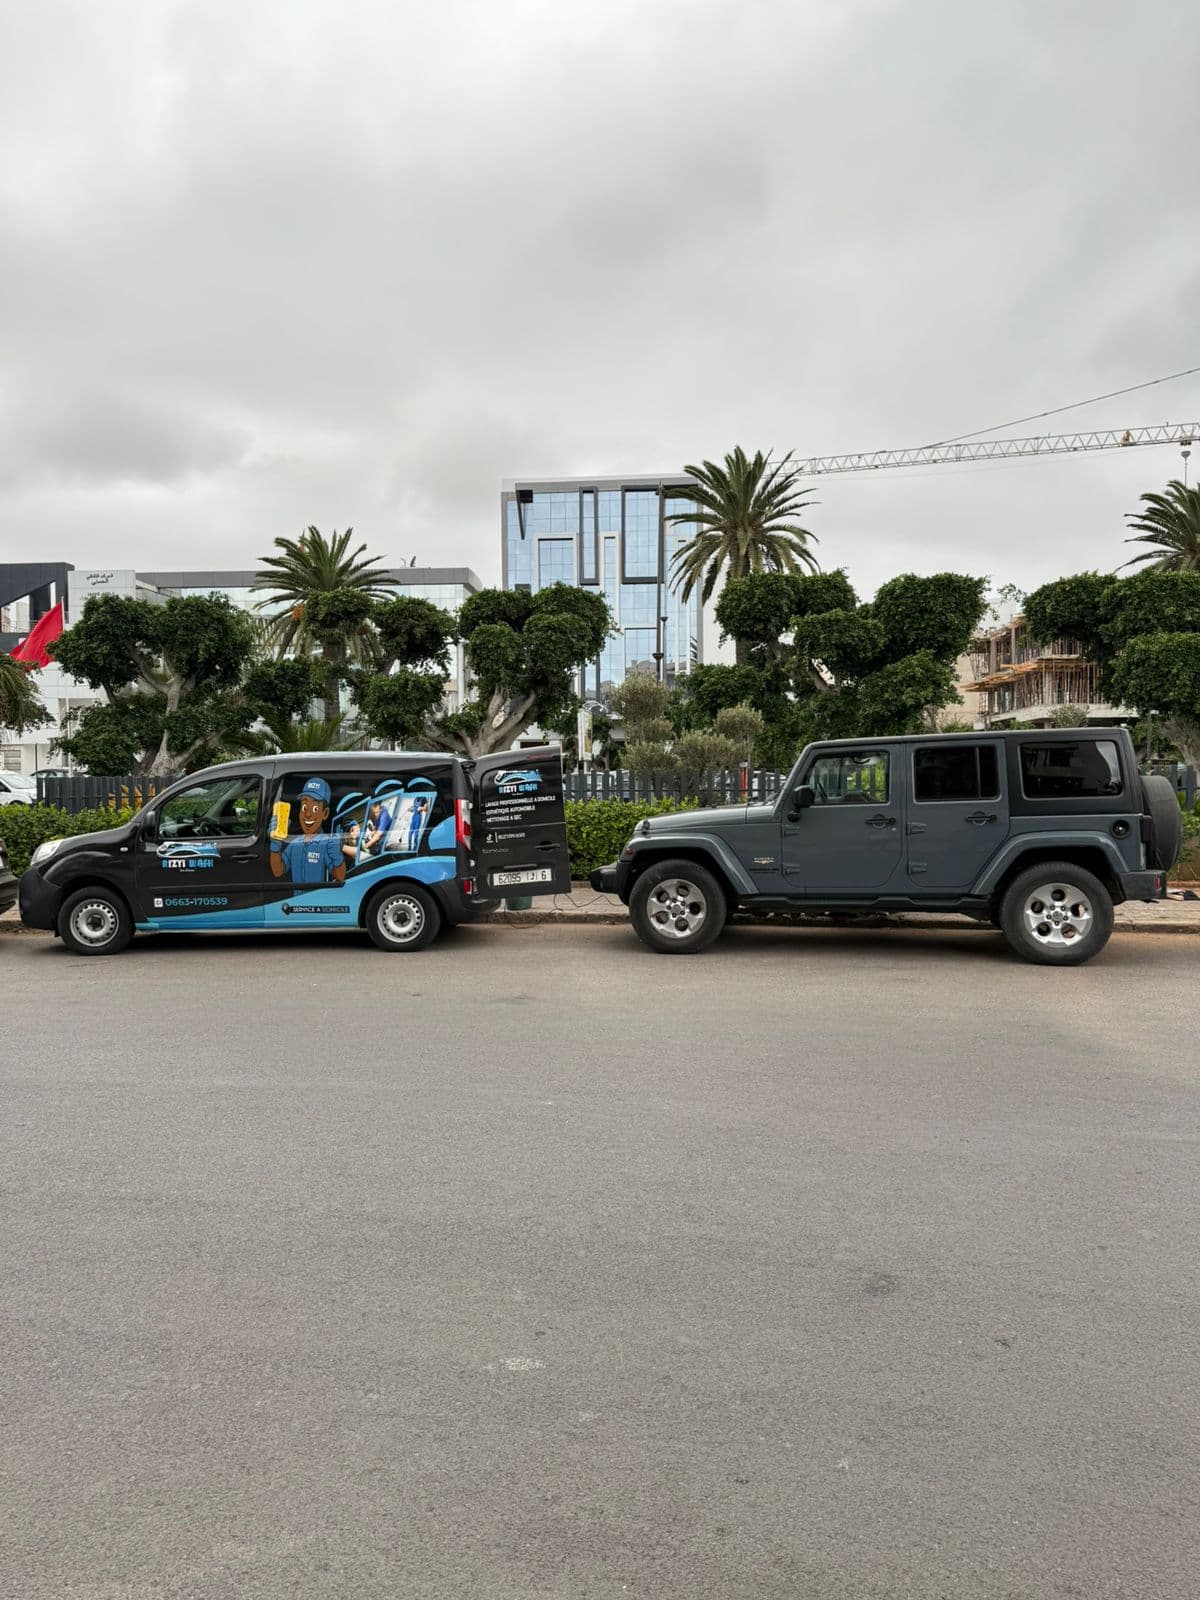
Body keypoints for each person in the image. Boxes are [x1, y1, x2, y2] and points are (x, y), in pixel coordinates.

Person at [269, 776, 346, 885]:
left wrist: (337, 859)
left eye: (315, 809)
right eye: (304, 807)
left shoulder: (327, 844)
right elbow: (278, 871)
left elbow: (340, 877)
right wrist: (275, 849)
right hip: (295, 901)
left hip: (318, 900)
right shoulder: (295, 843)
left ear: (325, 813)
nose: (308, 814)